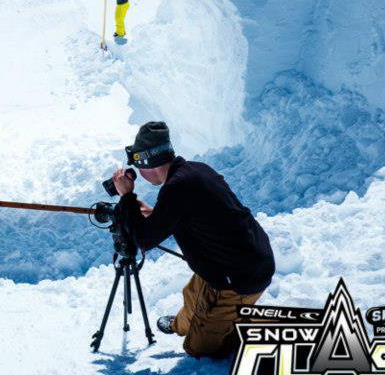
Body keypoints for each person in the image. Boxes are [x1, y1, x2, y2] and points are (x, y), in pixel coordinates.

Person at [110, 121, 275, 359]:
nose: (137, 173)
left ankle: (241, 327)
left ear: (149, 162)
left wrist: (127, 197)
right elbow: (186, 213)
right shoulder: (195, 170)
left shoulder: (177, 189)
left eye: (137, 166)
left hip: (239, 279)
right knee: (192, 293)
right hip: (244, 259)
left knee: (198, 349)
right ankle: (184, 323)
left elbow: (144, 240)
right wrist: (149, 212)